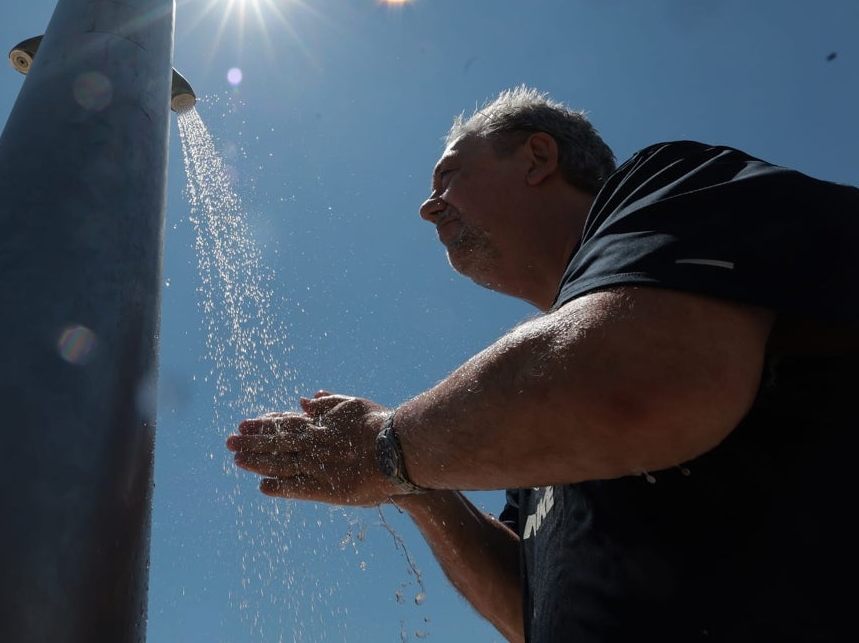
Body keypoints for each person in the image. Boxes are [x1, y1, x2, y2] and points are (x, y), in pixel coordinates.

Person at [225, 85, 859, 642]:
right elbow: (529, 614)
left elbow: (637, 380)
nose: (429, 205)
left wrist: (386, 447)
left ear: (537, 157)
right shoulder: (537, 414)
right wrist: (415, 489)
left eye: (449, 175)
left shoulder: (677, 187)